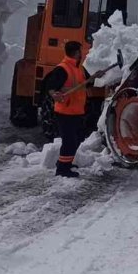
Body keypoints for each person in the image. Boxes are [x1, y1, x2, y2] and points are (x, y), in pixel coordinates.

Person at [44, 41, 103, 178]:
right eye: (80, 51)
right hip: (65, 112)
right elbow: (50, 85)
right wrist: (54, 94)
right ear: (76, 53)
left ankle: (65, 163)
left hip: (77, 112)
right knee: (69, 141)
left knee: (77, 139)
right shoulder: (62, 69)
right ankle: (62, 169)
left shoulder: (79, 69)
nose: (81, 54)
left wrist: (96, 76)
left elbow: (87, 83)